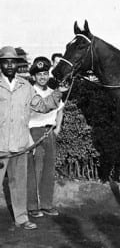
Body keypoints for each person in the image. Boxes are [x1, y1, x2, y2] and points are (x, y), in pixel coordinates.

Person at [0, 46, 65, 230]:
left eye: (13, 62)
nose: (10, 65)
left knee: (19, 183)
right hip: (1, 145)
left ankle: (21, 218)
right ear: (1, 65)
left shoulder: (25, 86)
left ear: (17, 65)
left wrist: (58, 92)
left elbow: (43, 106)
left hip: (21, 143)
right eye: (6, 62)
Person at [27, 57, 64, 218]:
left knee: (49, 170)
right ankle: (32, 206)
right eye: (39, 74)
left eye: (44, 73)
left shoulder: (52, 92)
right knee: (34, 170)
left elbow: (61, 109)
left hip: (49, 133)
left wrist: (58, 127)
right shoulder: (29, 92)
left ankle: (46, 205)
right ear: (33, 76)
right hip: (34, 133)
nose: (42, 77)